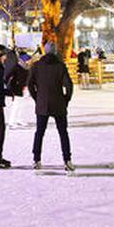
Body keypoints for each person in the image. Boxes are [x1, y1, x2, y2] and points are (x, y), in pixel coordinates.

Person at [28, 42, 75, 172]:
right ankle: (67, 160)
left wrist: (37, 98)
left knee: (39, 132)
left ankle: (36, 159)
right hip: (58, 102)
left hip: (42, 103)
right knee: (63, 132)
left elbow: (30, 84)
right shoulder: (60, 66)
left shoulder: (37, 66)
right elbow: (69, 85)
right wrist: (66, 99)